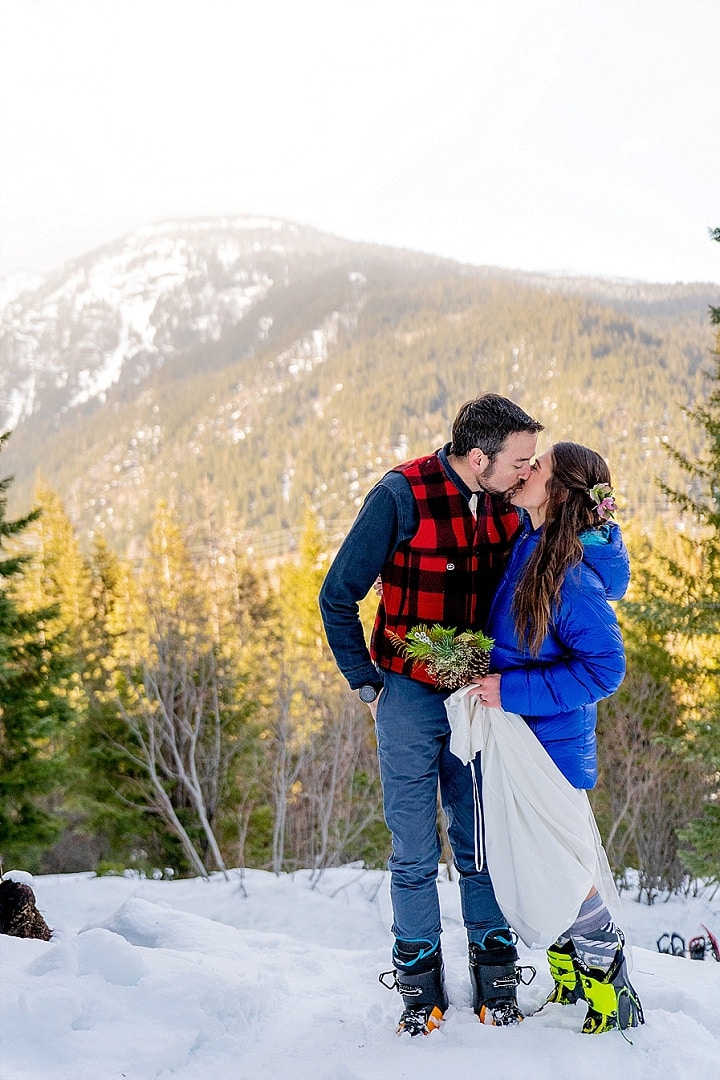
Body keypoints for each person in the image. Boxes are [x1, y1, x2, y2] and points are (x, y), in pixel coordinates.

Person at [319, 394, 544, 1035]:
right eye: (519, 462)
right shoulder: (401, 496)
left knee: (482, 841)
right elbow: (338, 595)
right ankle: (420, 987)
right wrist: (367, 684)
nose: (527, 473)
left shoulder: (512, 502)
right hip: (409, 694)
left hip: (480, 697)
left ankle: (496, 976)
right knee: (414, 850)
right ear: (480, 458)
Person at [468, 441, 645, 1034]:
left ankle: (612, 990)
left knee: (563, 871)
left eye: (535, 466)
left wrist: (510, 691)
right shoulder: (533, 544)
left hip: (546, 746)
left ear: (560, 492)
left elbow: (605, 668)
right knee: (539, 867)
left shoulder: (567, 575)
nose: (524, 470)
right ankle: (571, 982)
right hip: (521, 738)